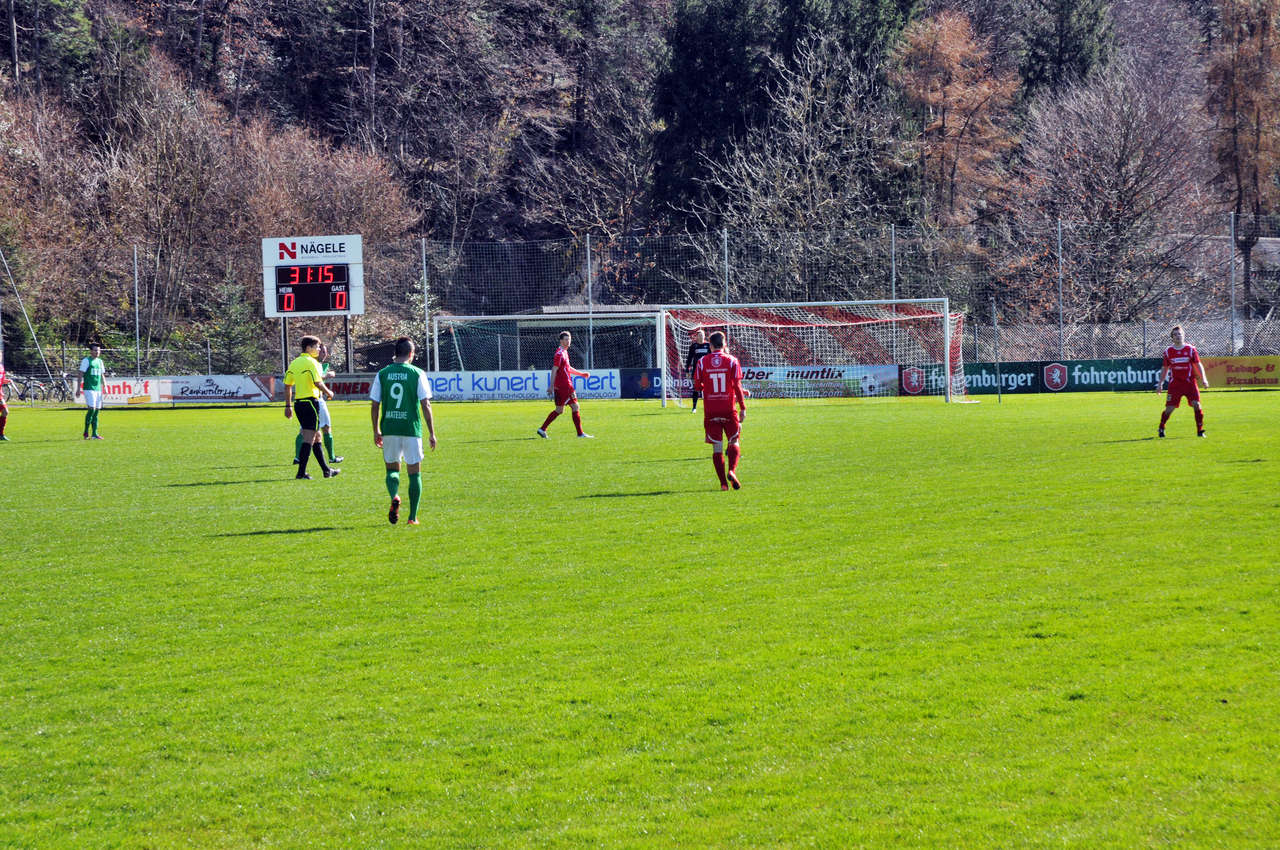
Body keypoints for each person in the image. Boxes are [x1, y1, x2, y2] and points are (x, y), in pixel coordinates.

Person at [371, 337, 437, 525]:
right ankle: (412, 517)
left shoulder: (382, 374)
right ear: (411, 354)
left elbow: (375, 404)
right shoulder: (417, 373)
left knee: (392, 469)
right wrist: (432, 432)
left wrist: (376, 430)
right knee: (414, 473)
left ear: (396, 353)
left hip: (390, 428)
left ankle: (394, 496)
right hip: (411, 429)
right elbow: (425, 404)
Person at [693, 331, 747, 490]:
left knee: (717, 447)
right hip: (728, 409)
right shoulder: (732, 361)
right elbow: (737, 386)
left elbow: (697, 386)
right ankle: (732, 471)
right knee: (734, 441)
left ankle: (723, 484)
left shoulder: (702, 362)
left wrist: (707, 386)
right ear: (724, 344)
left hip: (711, 411)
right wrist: (743, 407)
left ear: (710, 345)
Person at [284, 335, 339, 479]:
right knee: (309, 437)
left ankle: (326, 470)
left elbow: (287, 385)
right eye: (317, 347)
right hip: (310, 403)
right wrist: (329, 392)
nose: (319, 349)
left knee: (317, 436)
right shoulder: (312, 362)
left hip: (298, 404)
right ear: (308, 348)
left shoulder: (294, 363)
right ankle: (301, 473)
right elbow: (318, 382)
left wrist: (288, 405)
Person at [293, 342, 343, 466]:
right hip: (316, 400)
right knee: (325, 428)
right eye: (322, 351)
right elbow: (317, 380)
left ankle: (298, 458)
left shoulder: (306, 362)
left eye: (325, 351)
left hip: (304, 400)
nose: (324, 354)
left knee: (304, 430)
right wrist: (328, 377)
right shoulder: (314, 364)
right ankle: (331, 457)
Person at [537, 330, 593, 438]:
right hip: (565, 386)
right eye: (566, 339)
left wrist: (581, 374)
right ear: (561, 341)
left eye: (569, 339)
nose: (568, 341)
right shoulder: (559, 354)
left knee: (559, 410)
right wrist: (551, 386)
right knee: (575, 406)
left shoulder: (564, 352)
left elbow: (568, 368)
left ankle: (542, 429)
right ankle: (580, 433)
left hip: (561, 386)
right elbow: (554, 369)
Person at [1157, 324, 1209, 438]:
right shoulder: (1168, 351)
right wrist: (1160, 383)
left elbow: (1198, 364)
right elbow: (1165, 368)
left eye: (1179, 334)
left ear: (1184, 335)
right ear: (1172, 337)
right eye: (1175, 334)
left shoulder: (1190, 349)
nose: (1178, 336)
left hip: (1190, 383)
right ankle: (1161, 426)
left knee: (1197, 405)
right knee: (1169, 409)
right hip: (1175, 385)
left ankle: (1200, 430)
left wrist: (1204, 379)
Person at [79, 343, 106, 439]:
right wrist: (78, 388)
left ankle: (94, 433)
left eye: (98, 350)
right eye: (95, 350)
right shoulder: (86, 361)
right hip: (89, 388)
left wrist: (105, 386)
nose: (97, 352)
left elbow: (102, 375)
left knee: (97, 411)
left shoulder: (100, 361)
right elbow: (80, 374)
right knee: (92, 409)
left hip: (98, 389)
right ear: (91, 351)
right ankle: (86, 431)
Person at [683, 328, 712, 412]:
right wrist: (687, 370)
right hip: (696, 371)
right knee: (696, 388)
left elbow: (711, 357)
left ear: (704, 336)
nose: (701, 336)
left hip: (707, 370)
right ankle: (694, 407)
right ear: (696, 337)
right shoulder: (693, 346)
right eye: (699, 335)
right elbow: (689, 358)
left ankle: (708, 407)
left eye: (702, 335)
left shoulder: (708, 345)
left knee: (708, 388)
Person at [0, 351, 9, 441]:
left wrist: (5, 381)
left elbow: (1, 380)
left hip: (0, 394)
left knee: (5, 412)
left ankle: (1, 434)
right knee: (5, 411)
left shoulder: (1, 367)